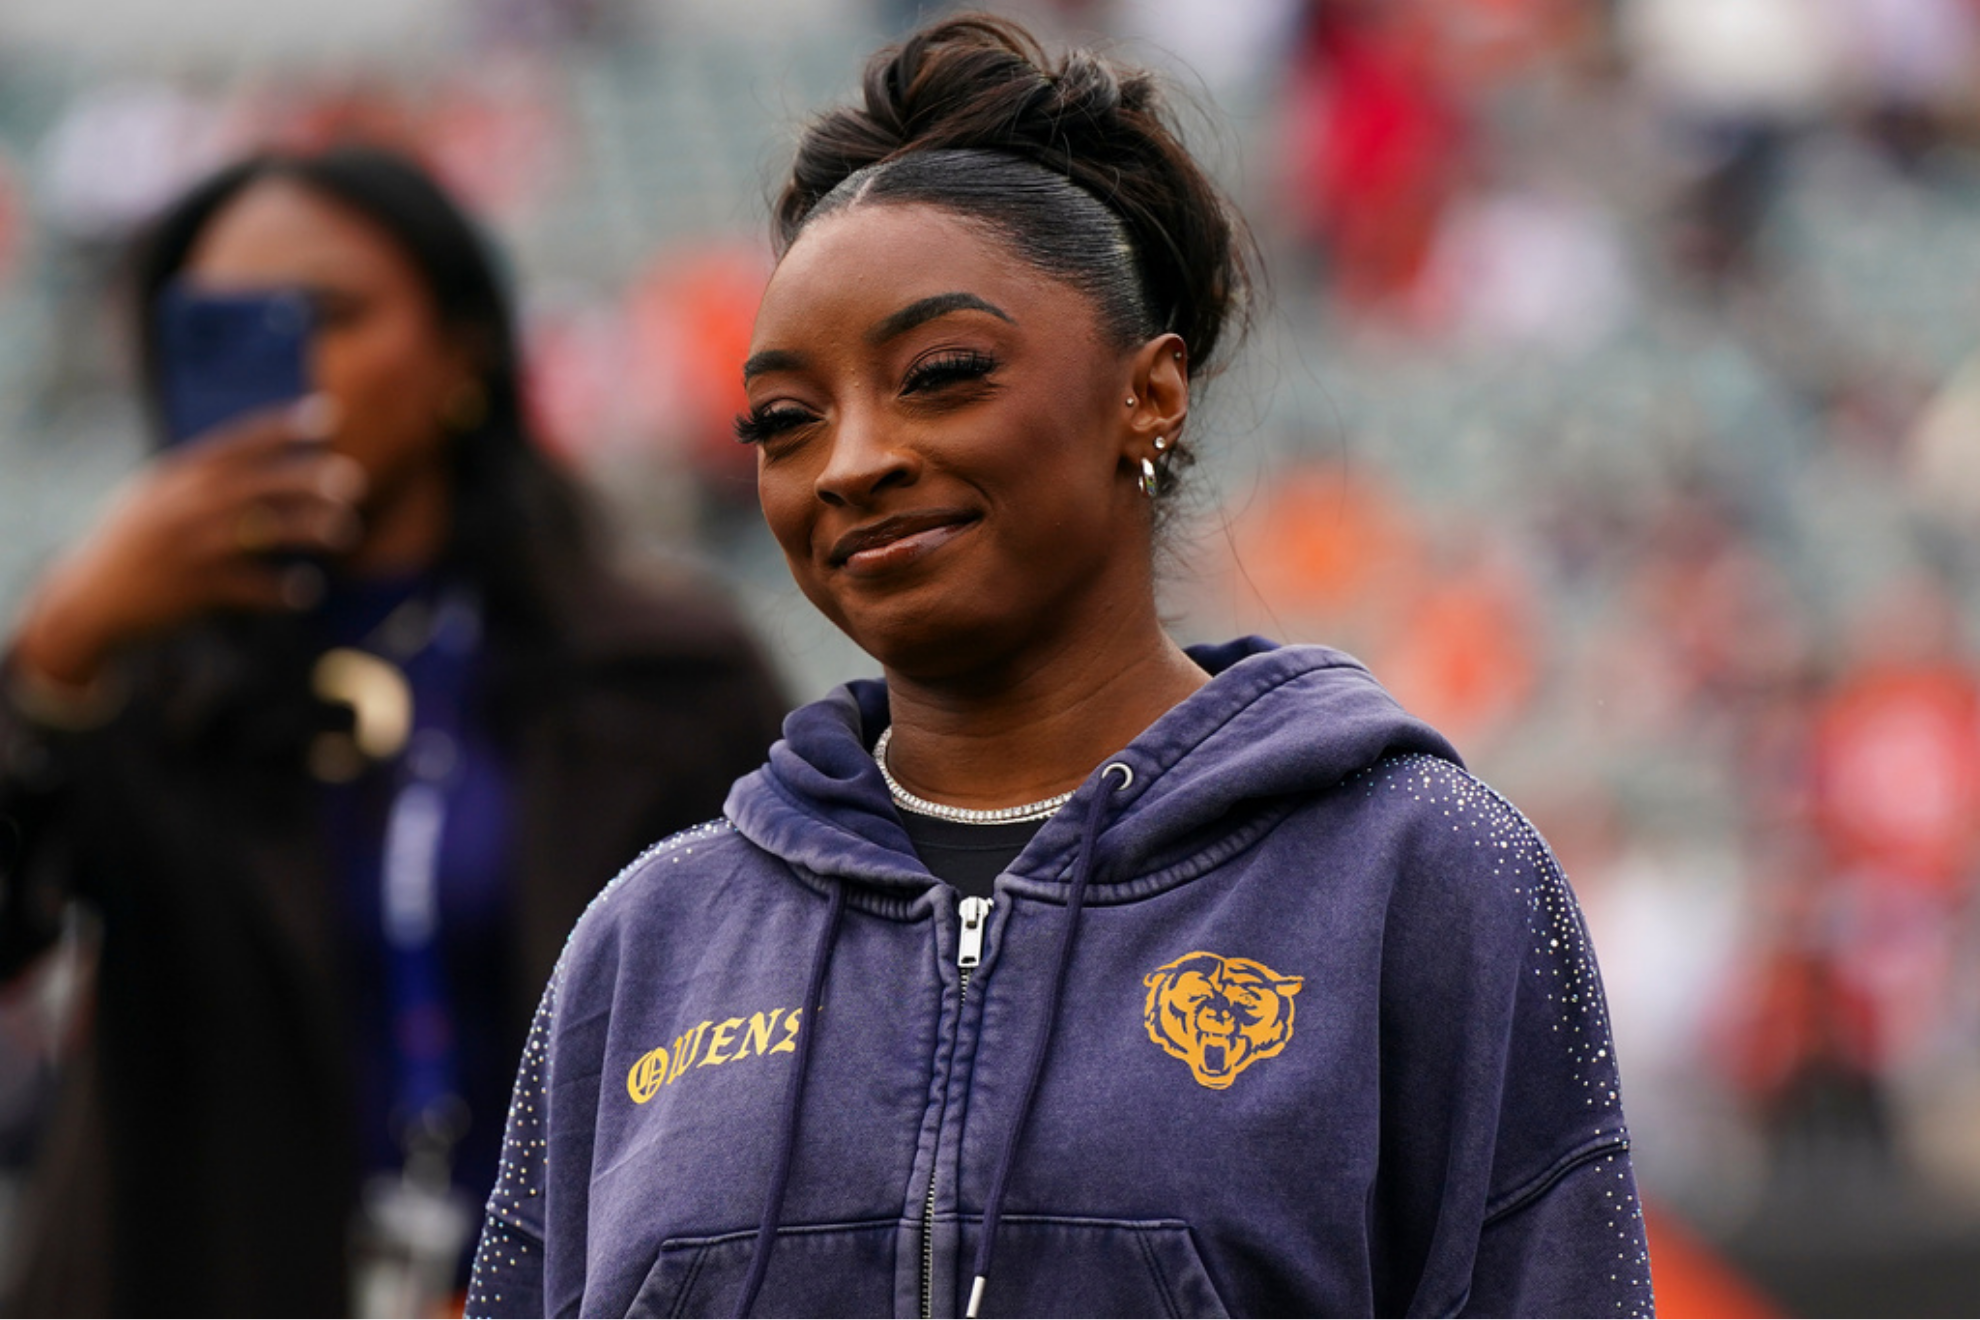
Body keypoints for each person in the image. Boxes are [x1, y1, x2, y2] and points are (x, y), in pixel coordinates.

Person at [467, 16, 1655, 1318]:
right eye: (786, 420)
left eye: (944, 374)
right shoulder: (651, 940)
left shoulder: (1414, 875)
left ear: (1149, 394)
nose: (852, 461)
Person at [0, 145, 787, 1316]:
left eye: (328, 313)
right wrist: (57, 651)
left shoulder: (657, 670)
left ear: (461, 355)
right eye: (222, 331)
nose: (285, 369)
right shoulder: (133, 677)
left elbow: (769, 1041)